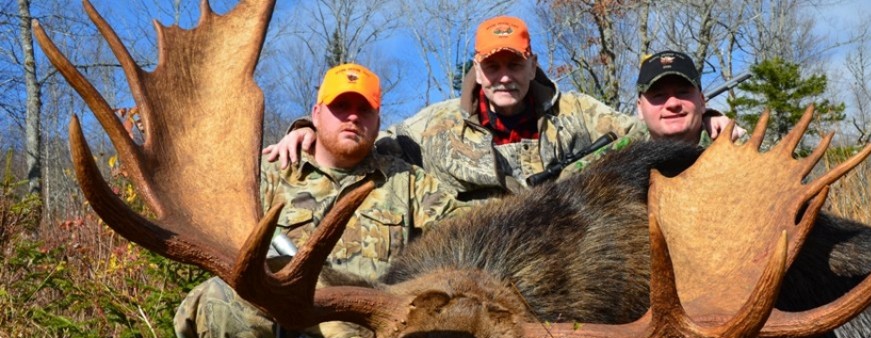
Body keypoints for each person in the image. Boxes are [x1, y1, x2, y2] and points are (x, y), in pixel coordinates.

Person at [173, 63, 466, 338]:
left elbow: (461, 235)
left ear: (378, 120)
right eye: (340, 107)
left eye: (365, 109)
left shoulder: (408, 183)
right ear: (315, 115)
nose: (353, 117)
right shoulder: (270, 175)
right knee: (222, 297)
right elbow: (215, 243)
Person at [264, 17, 740, 195]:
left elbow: (651, 134)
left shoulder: (577, 113)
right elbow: (360, 139)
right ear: (478, 67)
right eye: (494, 66)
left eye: (515, 64)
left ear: (532, 64)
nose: (504, 76)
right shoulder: (433, 127)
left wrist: (711, 119)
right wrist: (306, 127)